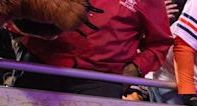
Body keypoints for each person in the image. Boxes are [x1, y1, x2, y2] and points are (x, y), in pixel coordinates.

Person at [16, 0, 173, 99]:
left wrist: (136, 68)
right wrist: (17, 36)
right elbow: (19, 8)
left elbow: (160, 43)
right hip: (41, 66)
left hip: (100, 80)